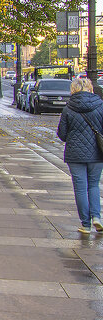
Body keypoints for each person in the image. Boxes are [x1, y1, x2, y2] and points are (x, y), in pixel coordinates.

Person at [57, 77, 103, 234]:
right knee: (94, 185)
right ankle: (97, 217)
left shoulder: (68, 108)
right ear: (90, 88)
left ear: (73, 90)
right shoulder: (100, 105)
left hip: (75, 154)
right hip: (97, 152)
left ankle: (86, 224)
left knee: (81, 188)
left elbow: (62, 134)